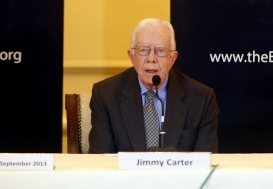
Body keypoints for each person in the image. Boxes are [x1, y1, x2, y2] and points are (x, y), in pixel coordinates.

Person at [88, 18, 219, 153]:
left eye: (160, 51)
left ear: (173, 58)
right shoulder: (106, 95)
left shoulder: (201, 99)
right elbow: (101, 162)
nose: (151, 58)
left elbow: (204, 164)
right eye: (143, 50)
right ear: (132, 56)